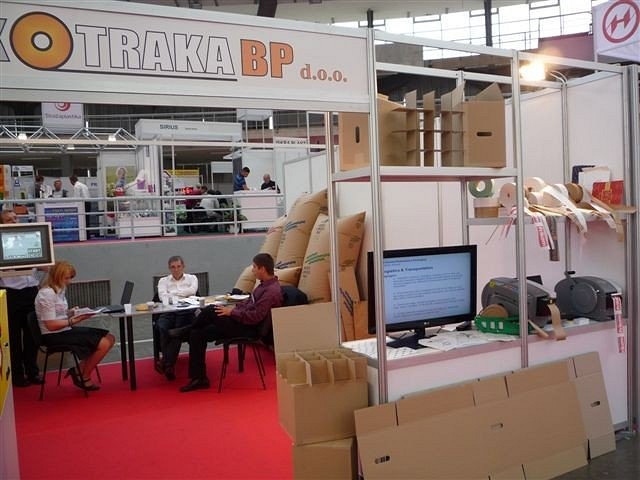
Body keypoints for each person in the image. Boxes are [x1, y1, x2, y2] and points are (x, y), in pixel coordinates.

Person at [180, 253, 283, 392]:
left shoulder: (271, 292)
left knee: (211, 310)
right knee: (197, 333)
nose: (252, 270)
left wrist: (231, 312)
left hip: (249, 329)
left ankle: (183, 332)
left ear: (262, 269)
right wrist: (233, 309)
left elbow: (256, 317)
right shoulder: (263, 286)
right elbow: (249, 303)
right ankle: (199, 378)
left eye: (254, 267)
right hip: (241, 321)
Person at [34, 261, 115, 391]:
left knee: (110, 338)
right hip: (53, 335)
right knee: (104, 343)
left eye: (70, 278)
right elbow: (51, 325)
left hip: (64, 329)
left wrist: (71, 312)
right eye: (66, 278)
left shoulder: (59, 289)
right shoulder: (47, 294)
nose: (69, 282)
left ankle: (78, 370)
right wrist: (73, 320)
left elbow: (58, 313)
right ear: (57, 276)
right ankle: (84, 376)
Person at [0, 209, 44, 387]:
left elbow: (41, 262)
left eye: (16, 218)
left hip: (31, 291)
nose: (15, 222)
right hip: (11, 294)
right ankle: (17, 375)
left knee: (32, 335)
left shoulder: (29, 238)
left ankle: (32, 371)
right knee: (13, 338)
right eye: (10, 220)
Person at [155, 255, 198, 380]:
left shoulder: (192, 278)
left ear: (183, 266)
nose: (176, 269)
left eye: (179, 266)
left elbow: (193, 291)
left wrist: (172, 295)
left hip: (186, 312)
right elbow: (162, 297)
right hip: (168, 312)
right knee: (163, 327)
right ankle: (168, 363)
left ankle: (167, 363)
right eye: (173, 267)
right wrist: (182, 294)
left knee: (177, 329)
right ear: (169, 268)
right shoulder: (163, 281)